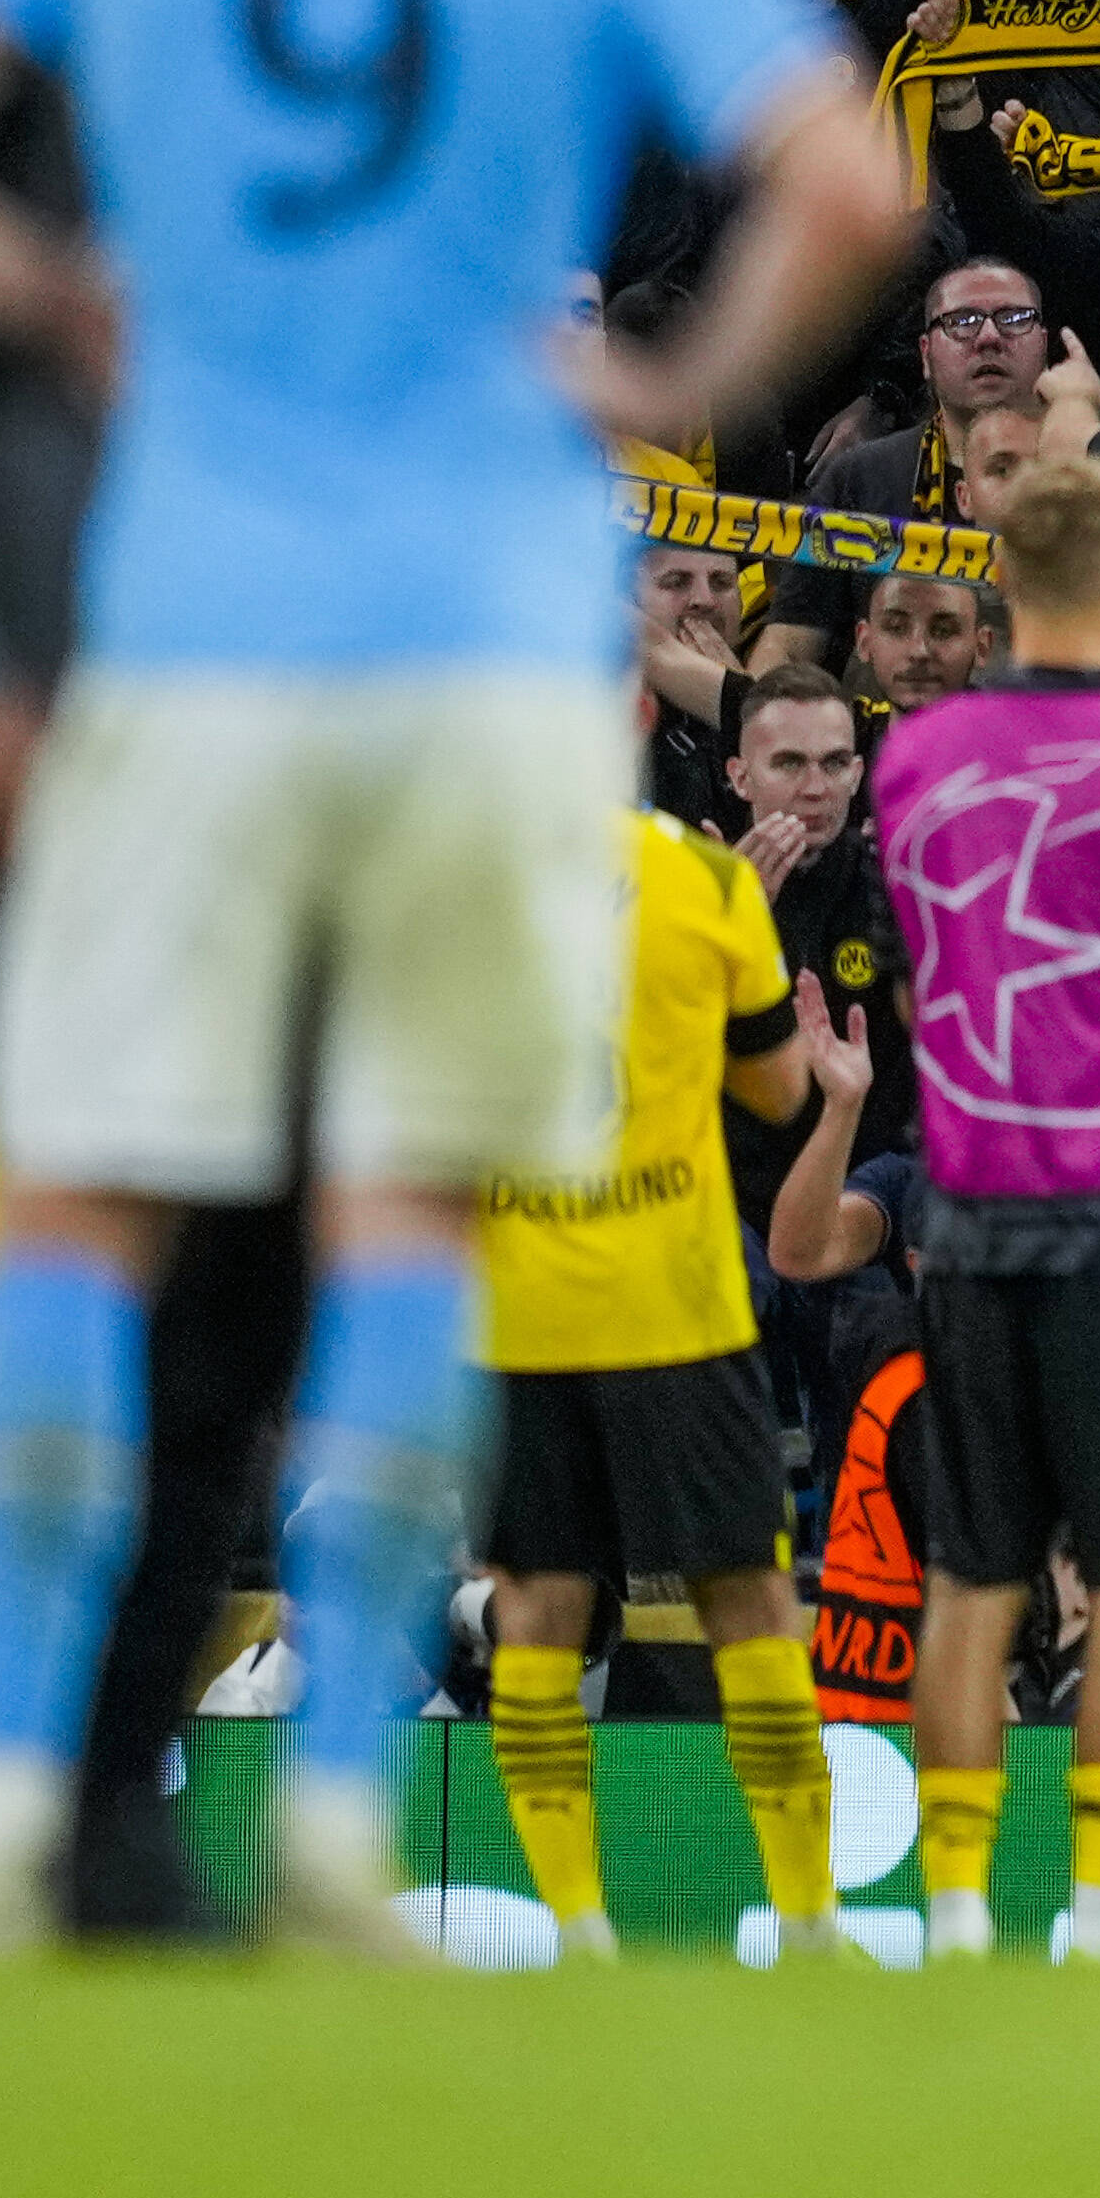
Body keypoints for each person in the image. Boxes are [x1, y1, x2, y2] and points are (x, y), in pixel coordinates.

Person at [0, 0, 915, 1957]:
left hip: (192, 616)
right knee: (402, 1221)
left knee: (69, 1204)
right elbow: (849, 172)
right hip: (492, 635)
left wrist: (60, 289)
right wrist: (660, 370)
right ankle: (330, 1844)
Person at [843, 456, 1100, 1965]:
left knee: (971, 1576)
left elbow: (905, 957)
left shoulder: (916, 755)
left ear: (1000, 576)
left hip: (968, 1211)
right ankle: (1098, 1910)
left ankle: (955, 1914)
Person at [466, 767, 834, 1966]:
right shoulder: (706, 875)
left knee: (539, 1609)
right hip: (675, 1301)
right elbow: (781, 1090)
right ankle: (806, 1917)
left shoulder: (450, 877)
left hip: (518, 1305)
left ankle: (576, 1924)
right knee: (750, 1603)